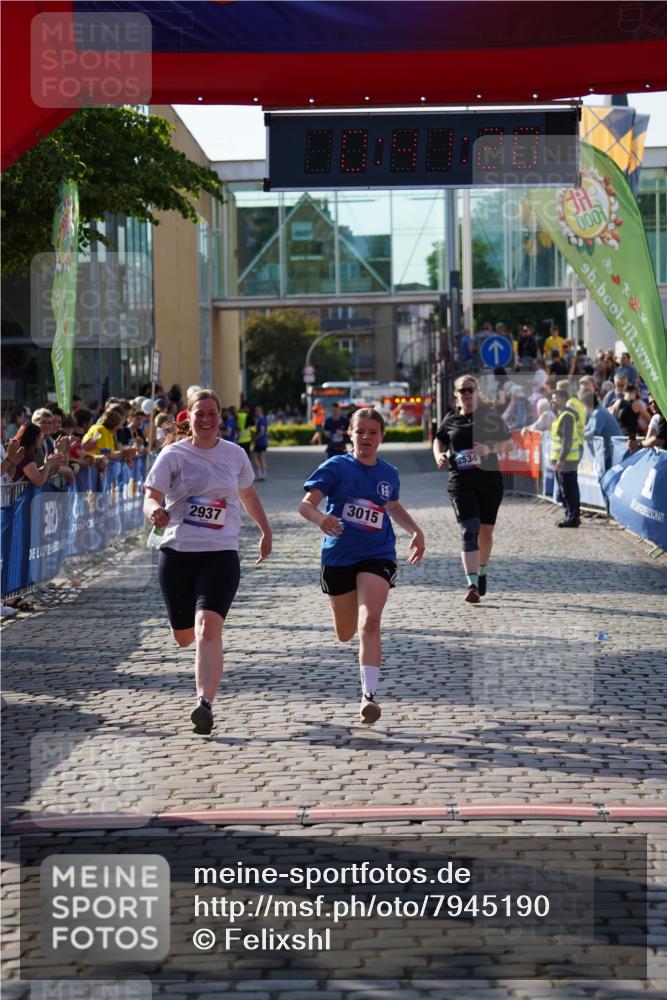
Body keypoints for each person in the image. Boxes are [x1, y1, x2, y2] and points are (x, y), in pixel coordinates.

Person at [143, 389, 272, 735]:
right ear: (188, 417)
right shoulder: (173, 455)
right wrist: (154, 510)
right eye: (200, 413)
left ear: (220, 418)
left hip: (220, 554)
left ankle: (204, 704)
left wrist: (265, 529)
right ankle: (200, 671)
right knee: (184, 636)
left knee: (208, 628)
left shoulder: (235, 455)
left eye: (212, 413)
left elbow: (247, 493)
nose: (207, 419)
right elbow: (151, 495)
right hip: (177, 554)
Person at [299, 407, 425, 724]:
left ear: (382, 437)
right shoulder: (336, 467)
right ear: (350, 435)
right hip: (339, 556)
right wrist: (321, 519)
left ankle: (369, 696)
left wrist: (415, 531)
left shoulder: (389, 474)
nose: (366, 437)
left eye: (373, 432)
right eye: (360, 432)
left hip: (377, 553)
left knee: (369, 621)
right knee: (345, 632)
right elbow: (306, 505)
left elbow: (391, 506)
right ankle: (350, 623)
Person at [433, 375, 512, 602]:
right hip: (460, 481)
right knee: (470, 529)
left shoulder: (489, 416)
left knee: (485, 533)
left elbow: (509, 442)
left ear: (477, 392)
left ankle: (482, 570)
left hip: (489, 481)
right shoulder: (450, 419)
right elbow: (439, 439)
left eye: (470, 390)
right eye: (462, 391)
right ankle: (472, 585)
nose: (467, 394)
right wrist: (439, 455)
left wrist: (488, 449)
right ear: (456, 395)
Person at [550, 389, 581, 528]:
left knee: (568, 489)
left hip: (567, 460)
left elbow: (567, 440)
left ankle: (572, 517)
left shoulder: (567, 416)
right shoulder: (561, 415)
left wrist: (561, 459)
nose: (553, 401)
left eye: (555, 398)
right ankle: (570, 514)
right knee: (566, 489)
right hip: (564, 459)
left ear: (563, 399)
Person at [581, 391, 622, 470]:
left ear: (587, 404)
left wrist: (580, 435)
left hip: (611, 449)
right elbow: (588, 428)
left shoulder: (599, 413)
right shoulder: (596, 412)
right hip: (608, 448)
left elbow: (595, 432)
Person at [610, 383, 651, 453]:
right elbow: (649, 418)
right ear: (635, 392)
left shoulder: (618, 402)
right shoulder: (636, 404)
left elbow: (611, 418)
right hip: (631, 440)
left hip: (618, 438)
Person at [251, 404, 269, 480]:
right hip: (264, 441)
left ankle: (259, 473)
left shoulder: (261, 420)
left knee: (254, 457)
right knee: (262, 457)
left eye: (257, 411)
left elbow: (262, 431)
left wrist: (255, 438)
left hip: (260, 442)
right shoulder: (263, 419)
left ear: (260, 412)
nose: (256, 413)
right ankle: (263, 474)